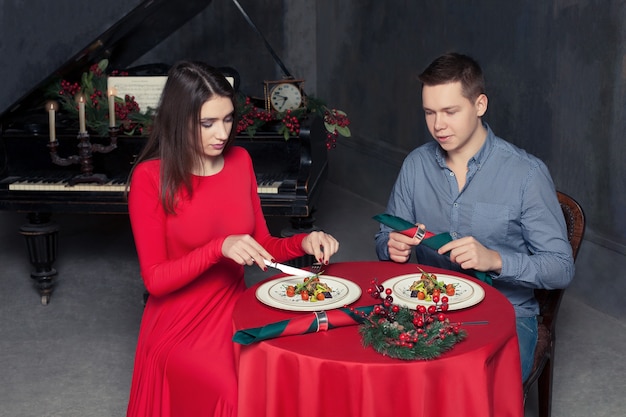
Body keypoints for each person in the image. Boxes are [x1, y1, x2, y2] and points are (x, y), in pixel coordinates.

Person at [125, 61, 339, 417]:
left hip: (234, 307)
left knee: (286, 371)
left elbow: (263, 246)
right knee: (233, 393)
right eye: (207, 123)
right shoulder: (150, 179)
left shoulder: (239, 160)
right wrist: (217, 248)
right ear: (179, 121)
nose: (221, 133)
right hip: (178, 324)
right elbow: (155, 280)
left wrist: (303, 242)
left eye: (227, 120)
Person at [374, 52, 574, 382]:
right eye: (429, 112)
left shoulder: (527, 174)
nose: (438, 125)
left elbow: (561, 267)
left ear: (480, 105)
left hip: (506, 313)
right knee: (383, 375)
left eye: (450, 111)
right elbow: (385, 237)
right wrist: (391, 247)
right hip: (425, 308)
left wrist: (496, 260)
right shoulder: (416, 165)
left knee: (473, 387)